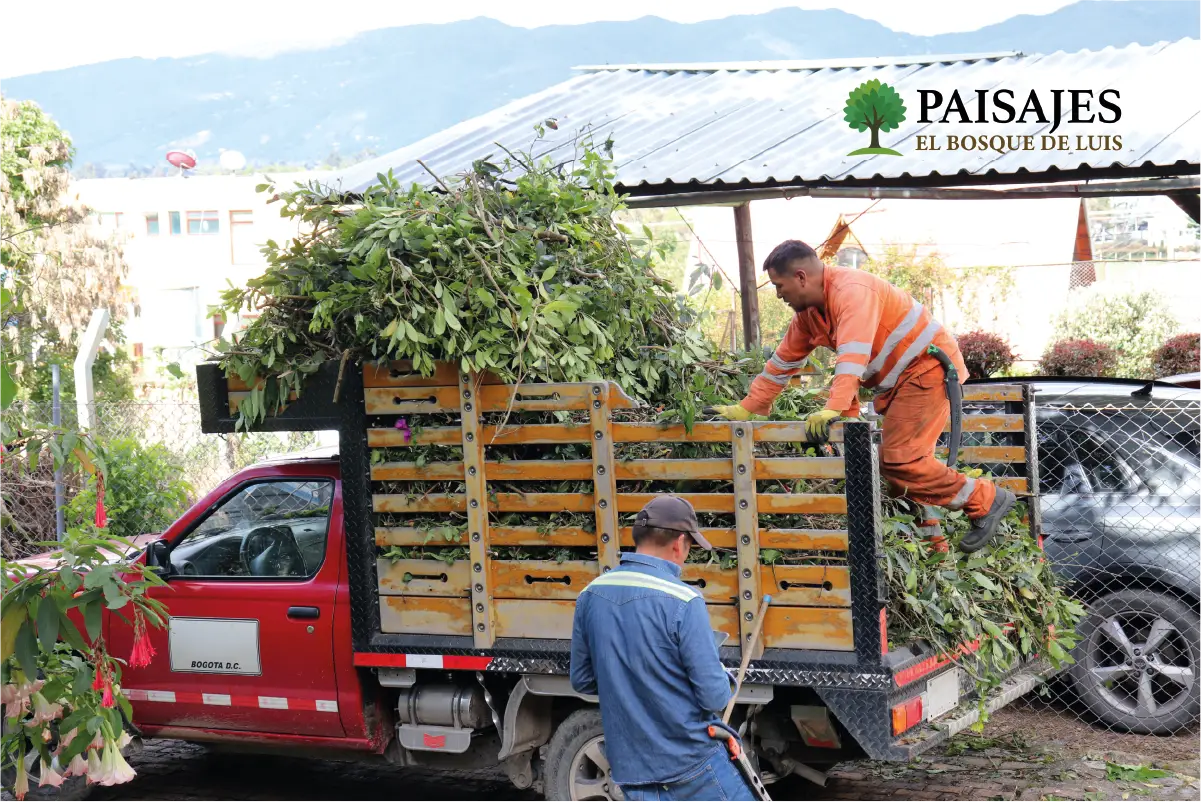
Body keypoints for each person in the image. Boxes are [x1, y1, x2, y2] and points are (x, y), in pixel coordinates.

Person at [713, 239, 1015, 553]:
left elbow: (852, 355)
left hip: (927, 368)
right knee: (901, 471)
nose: (778, 295)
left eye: (779, 285)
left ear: (801, 277)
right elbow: (781, 363)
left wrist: (835, 407)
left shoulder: (852, 291)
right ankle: (932, 544)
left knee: (899, 459)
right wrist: (748, 407)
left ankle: (985, 498)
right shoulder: (809, 316)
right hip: (899, 381)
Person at [570, 496, 755, 801]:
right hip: (690, 766)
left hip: (631, 771)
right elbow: (714, 695)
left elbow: (583, 680)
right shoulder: (684, 600)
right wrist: (724, 675)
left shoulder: (591, 594)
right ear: (680, 543)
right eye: (690, 546)